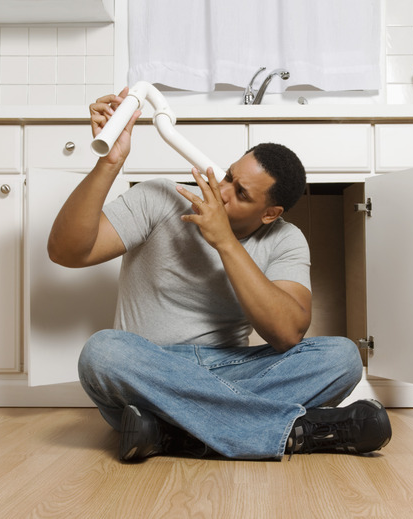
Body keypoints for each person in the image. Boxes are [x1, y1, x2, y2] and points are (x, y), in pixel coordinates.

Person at [48, 86, 391, 461]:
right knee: (102, 352)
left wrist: (225, 242)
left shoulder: (286, 240)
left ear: (270, 214)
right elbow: (66, 252)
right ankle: (294, 432)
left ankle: (168, 433)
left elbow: (287, 333)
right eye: (228, 176)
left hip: (228, 369)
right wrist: (108, 164)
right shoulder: (161, 197)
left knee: (341, 357)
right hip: (149, 366)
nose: (222, 191)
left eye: (240, 193)